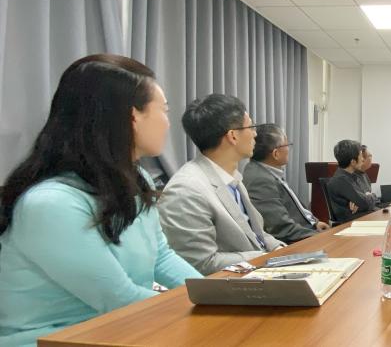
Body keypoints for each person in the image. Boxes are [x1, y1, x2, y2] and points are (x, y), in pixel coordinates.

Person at [0, 54, 201, 346]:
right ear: (133, 117)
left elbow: (162, 257)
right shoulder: (51, 204)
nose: (168, 123)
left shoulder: (137, 180)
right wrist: (202, 312)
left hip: (119, 330)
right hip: (55, 339)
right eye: (164, 111)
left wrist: (214, 296)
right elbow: (118, 298)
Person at [158, 94, 284, 275]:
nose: (255, 134)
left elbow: (257, 236)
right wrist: (266, 258)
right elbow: (202, 263)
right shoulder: (186, 190)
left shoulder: (231, 177)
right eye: (251, 127)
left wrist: (281, 251)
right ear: (233, 136)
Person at [243, 124, 329, 243]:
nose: (289, 149)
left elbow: (293, 208)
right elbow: (281, 228)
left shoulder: (267, 171)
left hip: (307, 230)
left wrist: (315, 223)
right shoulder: (260, 179)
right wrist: (320, 236)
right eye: (287, 145)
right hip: (294, 243)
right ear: (276, 154)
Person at [327, 140, 379, 223]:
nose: (363, 159)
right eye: (361, 156)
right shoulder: (341, 180)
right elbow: (365, 203)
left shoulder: (352, 176)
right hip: (351, 224)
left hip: (362, 217)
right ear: (353, 162)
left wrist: (366, 198)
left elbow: (365, 200)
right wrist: (371, 196)